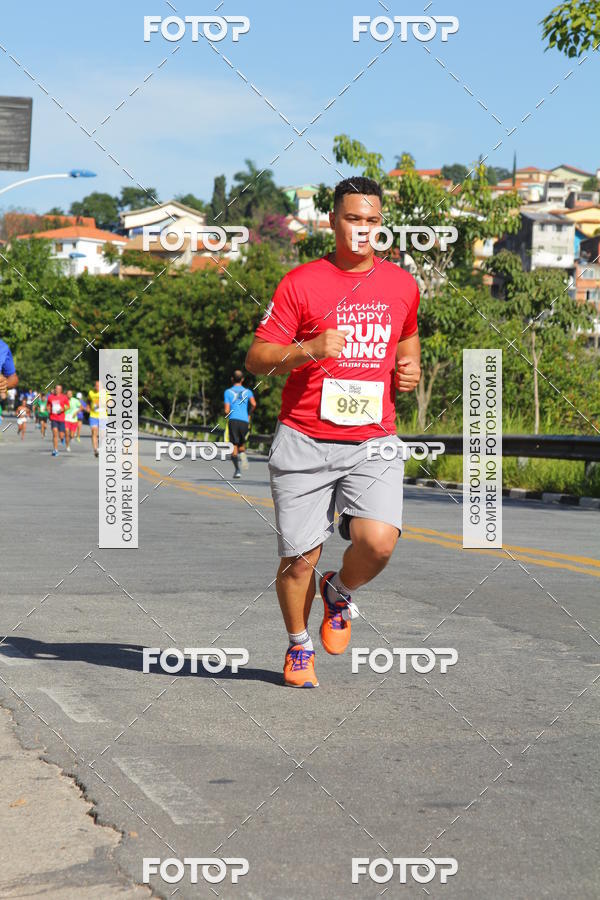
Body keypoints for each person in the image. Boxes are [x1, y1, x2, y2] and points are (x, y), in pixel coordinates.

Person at [245, 176, 421, 688]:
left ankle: (339, 592)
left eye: (371, 221)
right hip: (305, 437)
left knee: (379, 542)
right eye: (352, 219)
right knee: (300, 559)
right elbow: (257, 359)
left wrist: (410, 373)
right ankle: (299, 646)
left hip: (373, 439)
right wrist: (310, 349)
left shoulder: (402, 285)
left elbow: (407, 343)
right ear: (333, 221)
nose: (362, 230)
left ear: (380, 225)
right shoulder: (300, 283)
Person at [223, 370, 256, 478]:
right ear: (242, 379)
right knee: (242, 444)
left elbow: (227, 410)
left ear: (232, 379)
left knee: (234, 445)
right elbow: (254, 404)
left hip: (233, 420)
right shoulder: (248, 392)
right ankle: (243, 456)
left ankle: (237, 470)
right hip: (244, 421)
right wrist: (248, 414)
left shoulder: (228, 392)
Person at [46, 384, 69, 457]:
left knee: (61, 435)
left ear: (61, 390)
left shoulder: (64, 397)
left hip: (61, 418)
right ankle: (55, 450)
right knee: (55, 433)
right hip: (53, 418)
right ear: (55, 389)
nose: (57, 390)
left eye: (59, 389)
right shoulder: (50, 397)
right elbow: (48, 405)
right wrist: (48, 409)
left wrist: (63, 409)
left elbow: (68, 406)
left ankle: (62, 438)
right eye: (56, 388)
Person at [87, 380, 105, 457]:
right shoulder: (91, 393)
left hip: (103, 416)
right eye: (96, 386)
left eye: (99, 386)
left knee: (102, 434)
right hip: (93, 415)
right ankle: (95, 449)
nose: (97, 387)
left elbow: (111, 402)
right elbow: (88, 400)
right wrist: (88, 407)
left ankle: (100, 447)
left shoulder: (105, 393)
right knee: (94, 431)